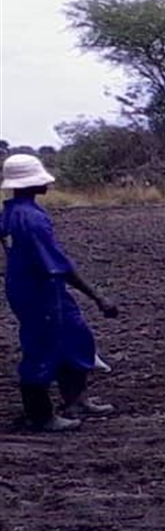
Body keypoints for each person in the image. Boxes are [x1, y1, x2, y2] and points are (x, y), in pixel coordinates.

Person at [1, 153, 120, 432]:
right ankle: (39, 415)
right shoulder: (30, 219)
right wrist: (98, 297)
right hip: (40, 289)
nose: (47, 184)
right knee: (41, 348)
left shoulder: (13, 212)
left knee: (77, 338)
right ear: (31, 184)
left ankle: (76, 401)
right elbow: (57, 264)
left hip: (33, 286)